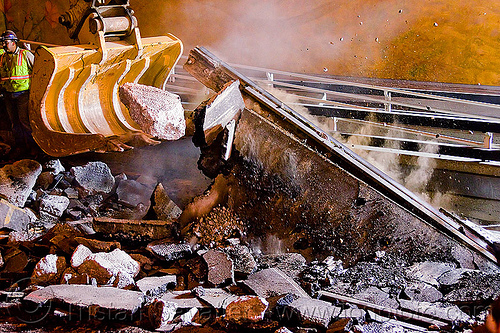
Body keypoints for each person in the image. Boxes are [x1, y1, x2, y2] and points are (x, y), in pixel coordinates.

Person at [0, 30, 36, 157]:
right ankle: (20, 148)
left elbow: (37, 71)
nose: (4, 45)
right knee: (14, 123)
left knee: (25, 122)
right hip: (8, 95)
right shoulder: (3, 57)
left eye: (6, 42)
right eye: (3, 42)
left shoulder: (25, 54)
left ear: (14, 43)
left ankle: (34, 148)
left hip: (23, 95)